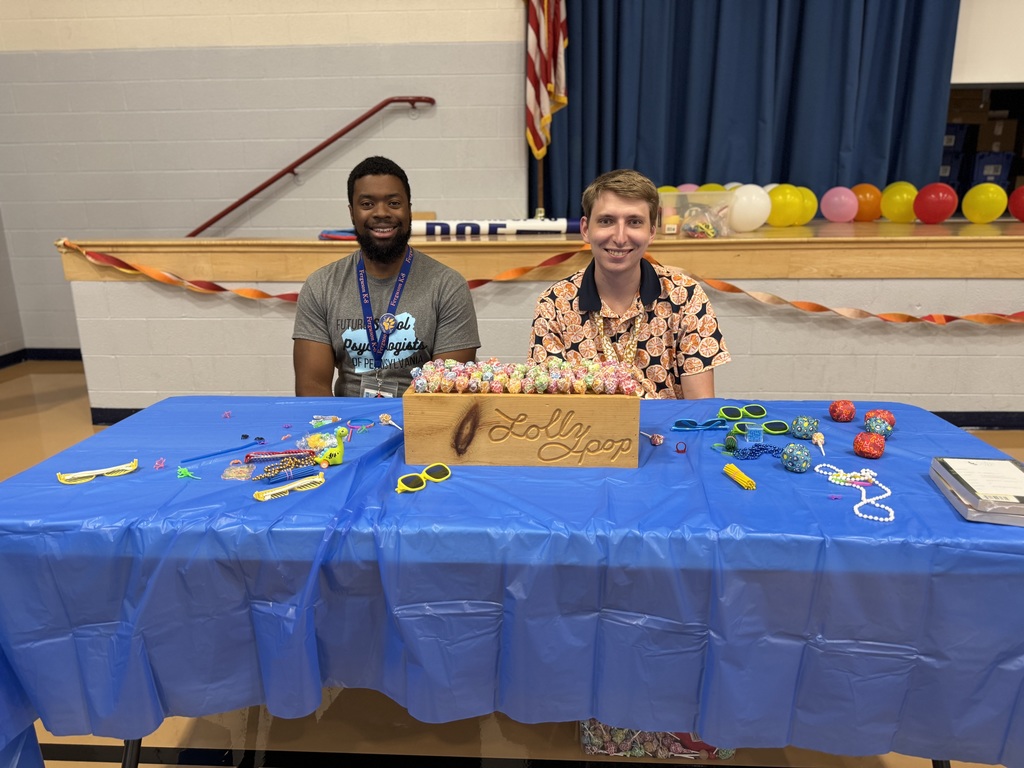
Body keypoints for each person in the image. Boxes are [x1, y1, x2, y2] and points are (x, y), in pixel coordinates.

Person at [528, 169, 730, 398]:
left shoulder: (686, 298)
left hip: (670, 433)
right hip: (585, 432)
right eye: (606, 221)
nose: (620, 237)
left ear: (652, 231)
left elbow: (699, 410)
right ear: (585, 229)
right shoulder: (554, 305)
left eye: (634, 222)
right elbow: (551, 410)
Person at [293, 156, 480, 397]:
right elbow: (312, 389)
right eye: (367, 204)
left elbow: (447, 393)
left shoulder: (447, 286)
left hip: (420, 425)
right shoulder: (321, 286)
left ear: (409, 210)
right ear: (352, 213)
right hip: (348, 427)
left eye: (393, 203)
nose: (381, 213)